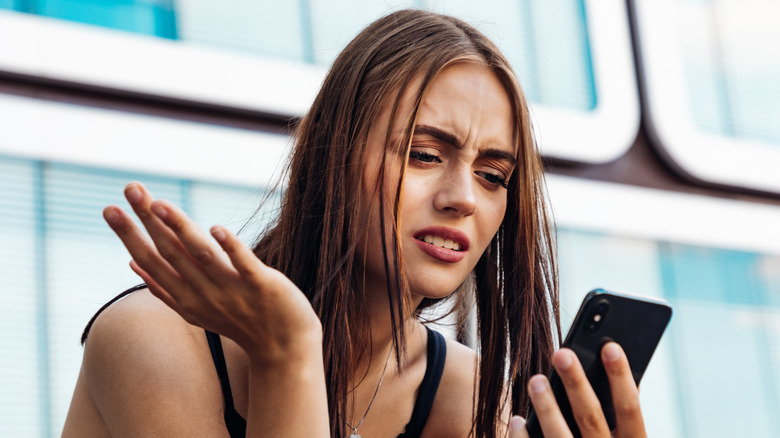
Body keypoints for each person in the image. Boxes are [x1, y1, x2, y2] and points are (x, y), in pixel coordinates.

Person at [62, 9, 648, 438]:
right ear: (332, 156)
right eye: (424, 155)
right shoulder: (153, 338)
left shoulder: (464, 396)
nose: (464, 198)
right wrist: (287, 352)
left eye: (493, 175)